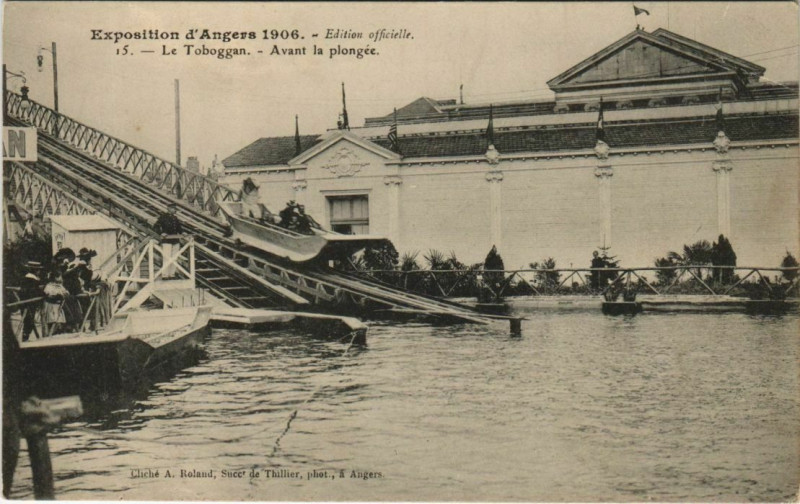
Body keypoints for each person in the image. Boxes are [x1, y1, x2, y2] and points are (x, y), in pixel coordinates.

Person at [153, 203, 184, 278]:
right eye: (173, 208)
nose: (175, 210)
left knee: (174, 258)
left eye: (175, 209)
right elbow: (155, 226)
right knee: (166, 257)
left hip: (175, 240)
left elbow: (179, 228)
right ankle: (165, 274)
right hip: (166, 241)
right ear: (168, 208)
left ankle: (172, 274)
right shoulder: (163, 217)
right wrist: (161, 233)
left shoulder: (175, 218)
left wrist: (183, 232)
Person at [19, 262, 43, 341]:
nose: (39, 272)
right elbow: (35, 291)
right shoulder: (32, 280)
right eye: (38, 270)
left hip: (25, 301)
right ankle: (25, 337)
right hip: (30, 302)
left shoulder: (25, 279)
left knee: (28, 319)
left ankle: (26, 336)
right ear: (35, 271)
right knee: (29, 320)